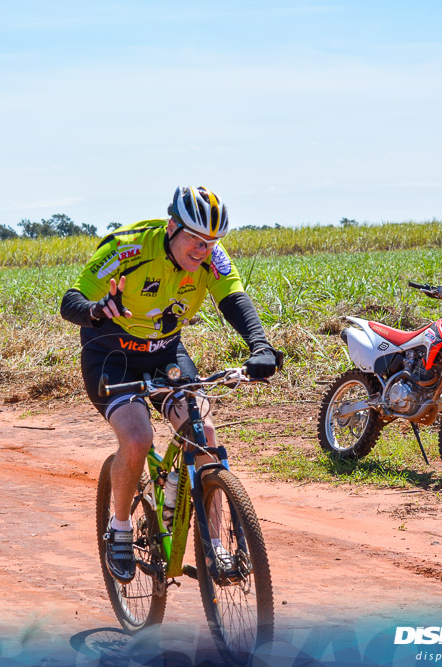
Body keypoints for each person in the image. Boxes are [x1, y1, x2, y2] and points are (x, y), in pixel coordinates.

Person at [60, 185, 278, 584]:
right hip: (112, 354)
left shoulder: (211, 256)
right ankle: (121, 527)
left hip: (165, 352)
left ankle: (216, 546)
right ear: (172, 226)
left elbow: (233, 297)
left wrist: (260, 346)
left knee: (204, 433)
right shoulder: (128, 248)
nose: (202, 249)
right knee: (138, 437)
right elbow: (70, 300)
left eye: (211, 242)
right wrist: (94, 311)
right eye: (194, 239)